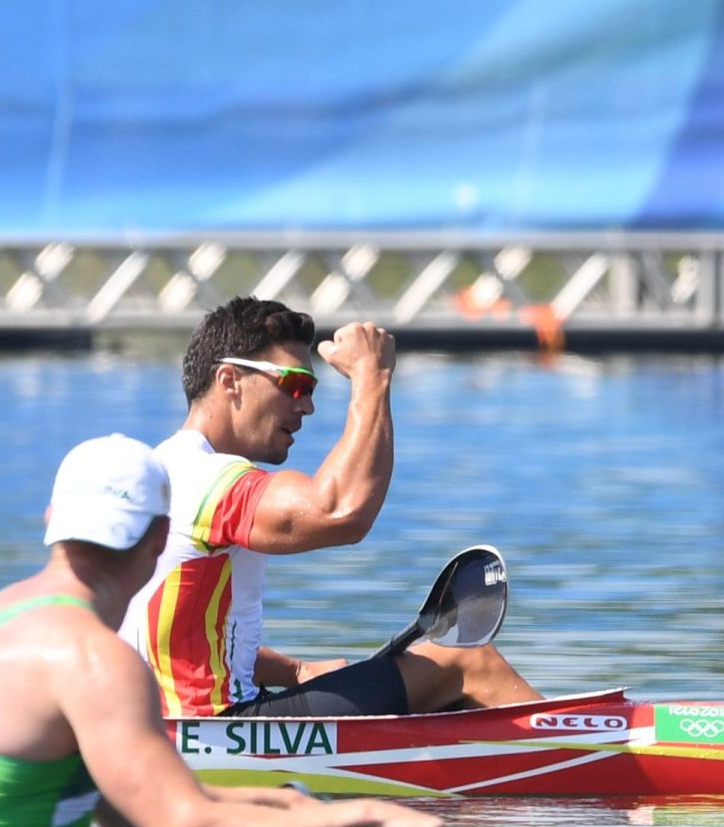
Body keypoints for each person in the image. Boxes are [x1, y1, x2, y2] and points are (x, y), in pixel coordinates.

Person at [0, 434, 443, 827]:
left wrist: (279, 804)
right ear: (160, 538)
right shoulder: (96, 659)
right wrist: (369, 818)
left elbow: (119, 813)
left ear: (52, 520)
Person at [121, 296, 540, 718]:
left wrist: (297, 669)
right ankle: (593, 760)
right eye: (295, 386)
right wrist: (371, 375)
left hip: (158, 723)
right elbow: (341, 511)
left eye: (311, 390)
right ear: (229, 380)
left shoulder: (157, 472)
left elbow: (174, 635)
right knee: (467, 663)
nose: (306, 407)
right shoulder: (207, 480)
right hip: (219, 725)